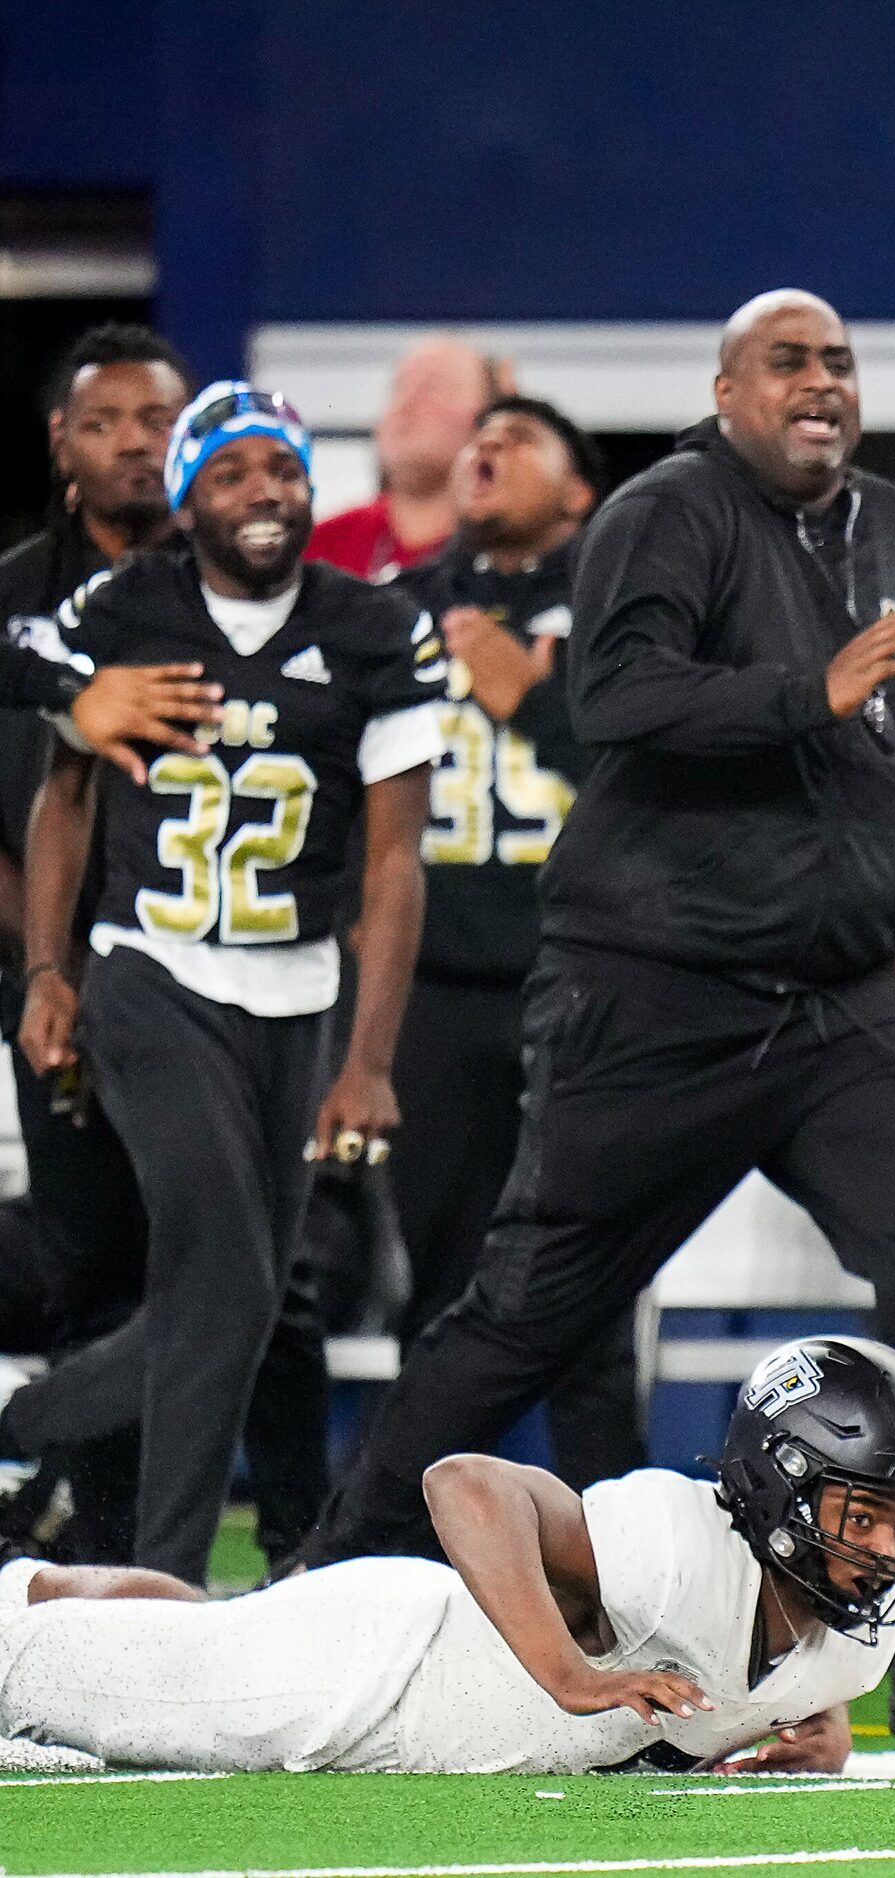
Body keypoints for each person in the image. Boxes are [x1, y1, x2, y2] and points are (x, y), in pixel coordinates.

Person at [292, 292, 895, 1736]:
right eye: (788, 361)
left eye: (841, 364)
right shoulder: (666, 511)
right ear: (727, 386)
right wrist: (813, 686)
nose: (821, 384)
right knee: (527, 1313)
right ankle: (328, 1571)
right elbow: (612, 700)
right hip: (656, 989)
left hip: (842, 998)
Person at [0, 383, 440, 1587]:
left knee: (234, 1298)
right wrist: (50, 965)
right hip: (151, 972)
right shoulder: (128, 603)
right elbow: (60, 782)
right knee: (236, 1279)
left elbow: (395, 863)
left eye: (285, 471)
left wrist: (368, 1060)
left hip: (297, 995)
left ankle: (34, 1435)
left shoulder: (374, 626)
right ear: (188, 493)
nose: (266, 493)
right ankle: (167, 1580)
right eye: (236, 471)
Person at [0, 1336, 895, 1776]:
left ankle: (29, 1586)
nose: (886, 1550)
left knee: (201, 1627)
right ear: (775, 1486)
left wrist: (815, 1722)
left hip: (400, 1692)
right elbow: (465, 1483)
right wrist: (571, 1676)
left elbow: (784, 1661)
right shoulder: (673, 1549)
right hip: (356, 1685)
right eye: (863, 1515)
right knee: (31, 1677)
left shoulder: (855, 1644)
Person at [0, 327, 293, 1562]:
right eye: (105, 419)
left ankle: (295, 1540)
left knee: (268, 1274)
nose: (135, 439)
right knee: (97, 1260)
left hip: (240, 982)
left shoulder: (245, 592)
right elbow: (44, 803)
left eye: (158, 420)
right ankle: (94, 1531)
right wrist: (52, 971)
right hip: (62, 976)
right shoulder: (20, 597)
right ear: (62, 448)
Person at [388, 394, 640, 1491]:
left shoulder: (631, 606)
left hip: (585, 984)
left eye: (521, 437)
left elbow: (670, 779)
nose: (484, 447)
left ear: (579, 489)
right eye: (476, 436)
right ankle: (410, 1563)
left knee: (587, 1294)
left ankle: (617, 1575)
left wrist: (533, 701)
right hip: (433, 992)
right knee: (440, 1294)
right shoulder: (392, 610)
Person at [306, 339, 497, 581]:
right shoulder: (315, 551)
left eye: (436, 386)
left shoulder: (510, 552)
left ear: (490, 423)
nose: (406, 404)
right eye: (400, 387)